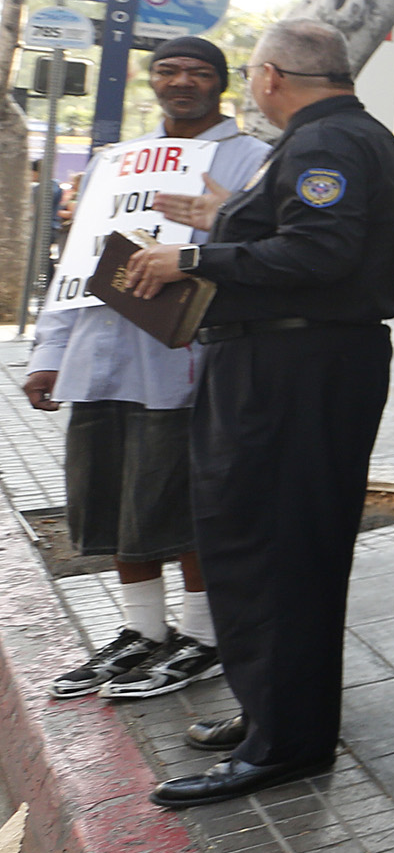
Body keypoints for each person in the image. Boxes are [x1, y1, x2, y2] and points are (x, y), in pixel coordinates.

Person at [115, 20, 394, 807]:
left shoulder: (327, 144)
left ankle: (287, 743)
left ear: (272, 75)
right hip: (286, 362)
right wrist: (227, 216)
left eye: (249, 74)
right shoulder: (333, 139)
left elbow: (320, 254)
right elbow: (307, 239)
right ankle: (273, 716)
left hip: (293, 369)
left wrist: (193, 255)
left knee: (274, 548)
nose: (250, 87)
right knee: (268, 544)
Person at [24, 36, 272, 701]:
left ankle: (202, 636)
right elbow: (77, 260)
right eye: (168, 69)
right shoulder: (116, 162)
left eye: (198, 71)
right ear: (151, 78)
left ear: (223, 83)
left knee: (183, 502)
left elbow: (268, 255)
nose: (182, 80)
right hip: (99, 356)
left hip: (184, 359)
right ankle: (143, 630)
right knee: (106, 494)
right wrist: (50, 352)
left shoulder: (253, 160)